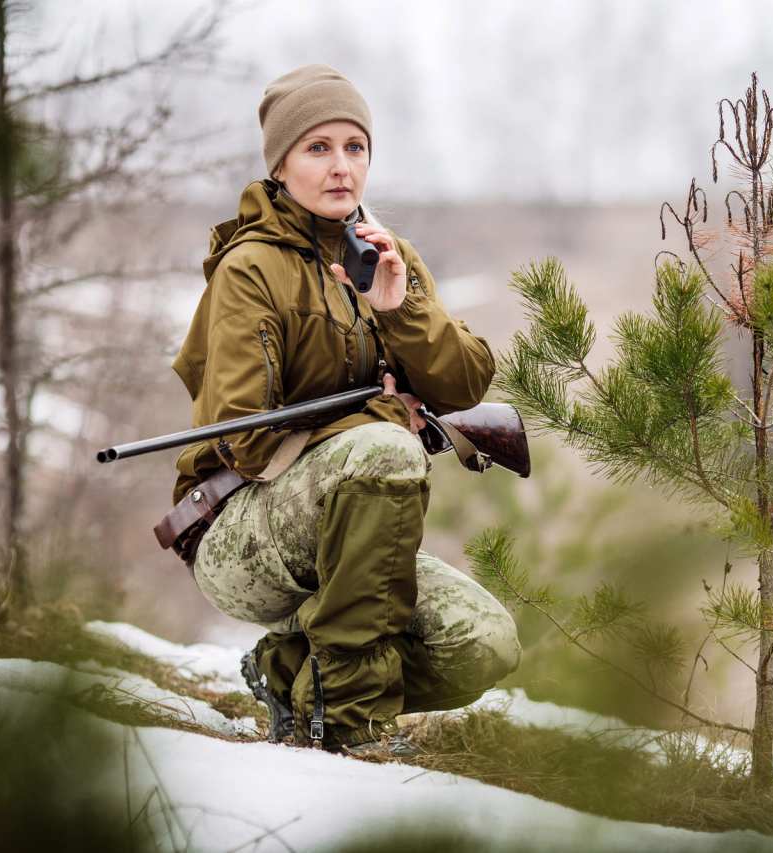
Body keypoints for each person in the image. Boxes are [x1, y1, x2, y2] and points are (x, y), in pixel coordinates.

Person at [168, 64, 521, 757]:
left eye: (355, 147)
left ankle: (289, 674)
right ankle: (345, 725)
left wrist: (400, 309)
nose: (341, 167)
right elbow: (247, 438)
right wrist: (387, 416)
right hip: (239, 534)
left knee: (485, 646)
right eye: (318, 148)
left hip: (349, 535)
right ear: (280, 164)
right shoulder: (250, 268)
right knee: (385, 450)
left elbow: (465, 384)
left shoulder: (387, 254)